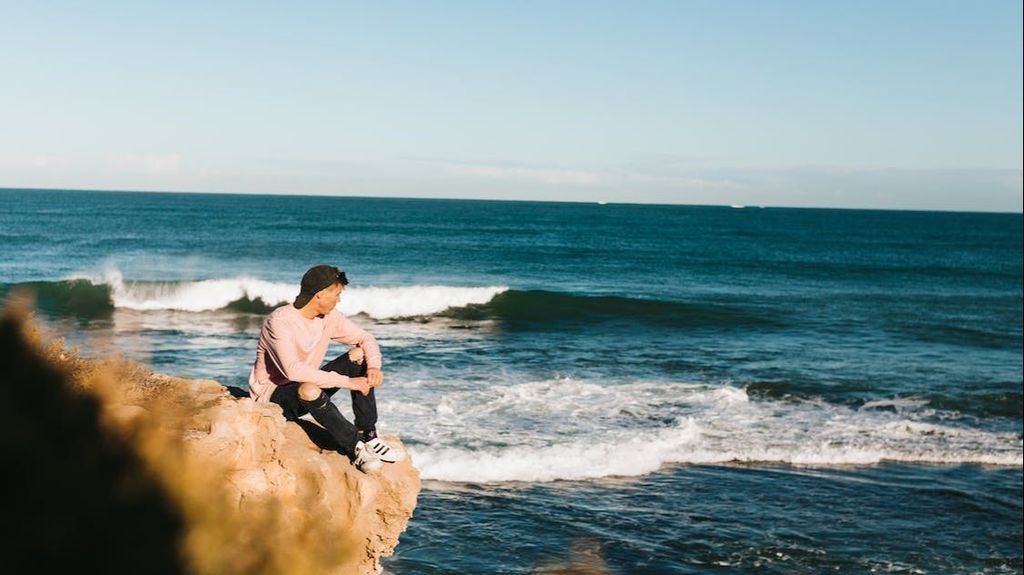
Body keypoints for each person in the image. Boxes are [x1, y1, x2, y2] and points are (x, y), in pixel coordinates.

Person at [248, 264, 403, 472]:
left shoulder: (329, 317)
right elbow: (292, 371)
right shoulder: (279, 321)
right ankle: (356, 447)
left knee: (359, 354)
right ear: (320, 294)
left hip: (306, 383)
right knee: (309, 389)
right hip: (274, 396)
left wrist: (374, 367)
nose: (339, 300)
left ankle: (369, 434)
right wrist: (349, 383)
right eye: (337, 294)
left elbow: (366, 338)